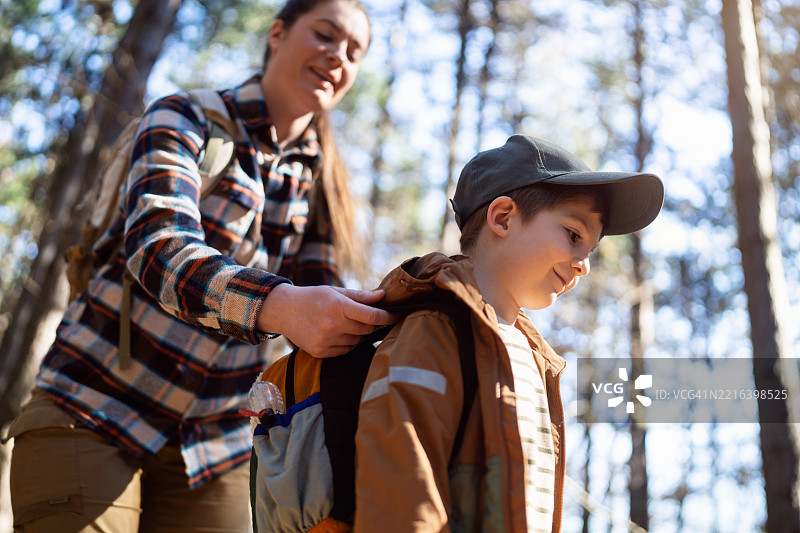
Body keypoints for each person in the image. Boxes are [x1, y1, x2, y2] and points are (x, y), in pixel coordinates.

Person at [9, 0, 391, 531]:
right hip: (94, 404)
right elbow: (158, 248)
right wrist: (277, 306)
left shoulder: (321, 185)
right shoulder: (185, 117)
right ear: (277, 34)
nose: (338, 57)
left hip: (215, 452)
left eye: (354, 52)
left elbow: (322, 309)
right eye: (326, 35)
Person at [352, 135, 664, 532]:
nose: (584, 264)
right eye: (573, 235)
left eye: (591, 249)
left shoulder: (534, 358)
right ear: (502, 217)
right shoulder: (435, 331)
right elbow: (401, 493)